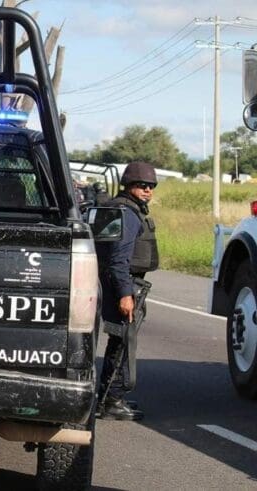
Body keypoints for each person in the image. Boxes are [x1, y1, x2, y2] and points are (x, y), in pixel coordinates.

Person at [96, 162, 159, 421]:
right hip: (121, 283)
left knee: (119, 341)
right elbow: (118, 259)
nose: (147, 190)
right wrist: (125, 294)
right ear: (128, 186)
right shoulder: (128, 214)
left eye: (151, 186)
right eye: (141, 185)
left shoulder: (116, 208)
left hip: (110, 281)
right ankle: (111, 400)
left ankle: (108, 396)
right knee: (123, 342)